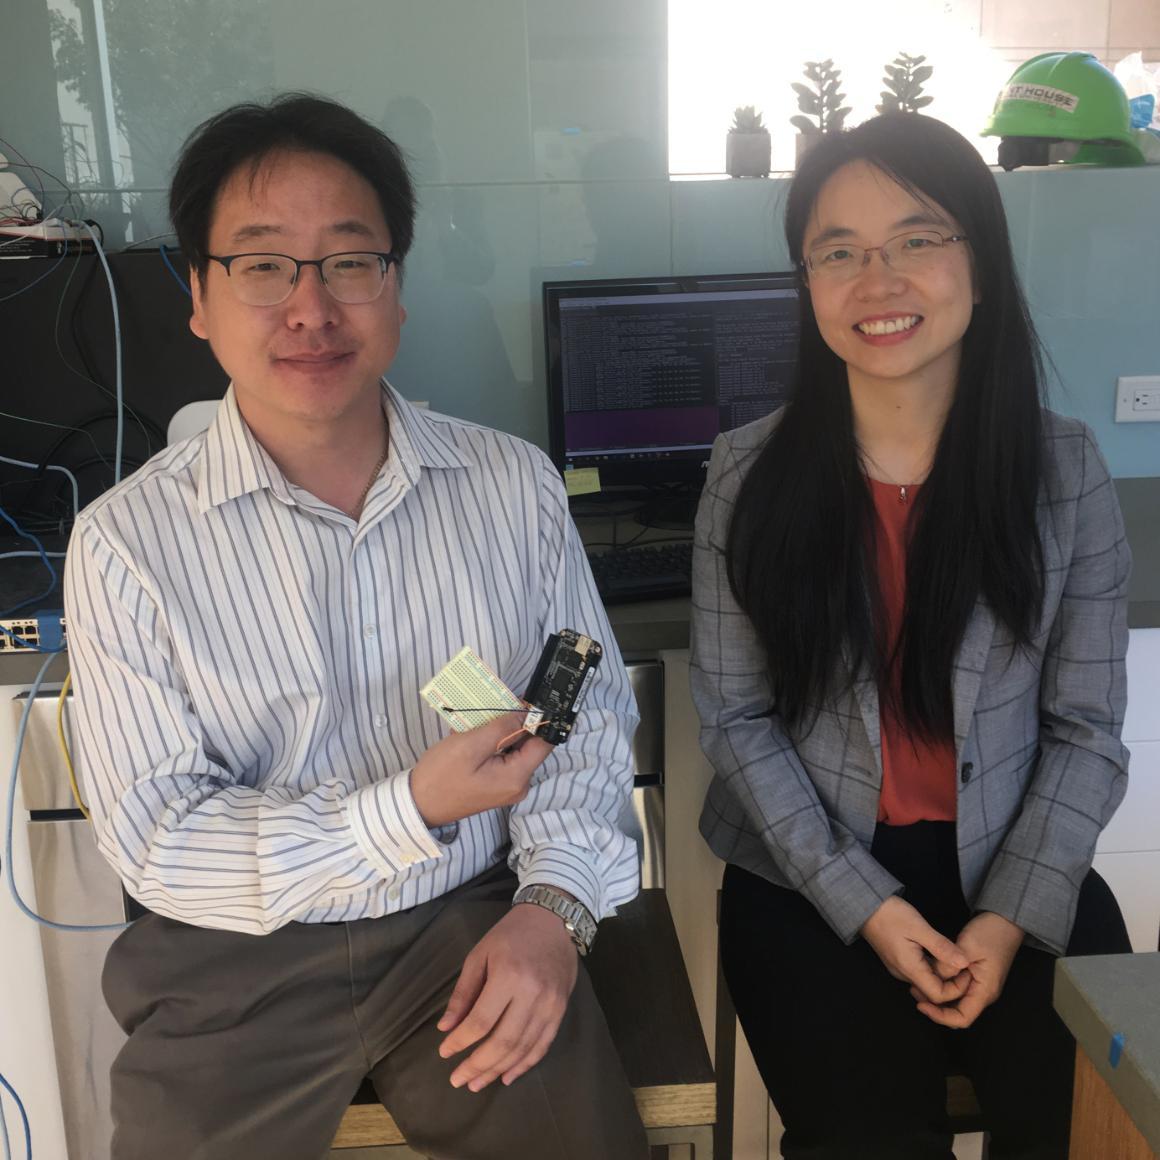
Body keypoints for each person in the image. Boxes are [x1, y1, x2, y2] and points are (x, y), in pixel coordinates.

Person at [63, 94, 648, 1160]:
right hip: (233, 953)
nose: (310, 306)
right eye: (261, 265)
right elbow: (157, 837)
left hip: (469, 913)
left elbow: (589, 715)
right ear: (197, 295)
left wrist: (554, 909)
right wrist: (405, 804)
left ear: (397, 288)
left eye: (348, 262)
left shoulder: (509, 487)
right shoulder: (125, 543)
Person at [690, 113, 1132, 1160]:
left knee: (1094, 1127)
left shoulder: (1063, 474)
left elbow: (1084, 729)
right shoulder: (744, 476)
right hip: (805, 876)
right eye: (836, 251)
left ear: (978, 265)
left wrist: (1006, 916)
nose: (874, 278)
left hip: (1015, 858)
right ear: (806, 285)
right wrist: (872, 908)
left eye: (916, 239)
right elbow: (738, 721)